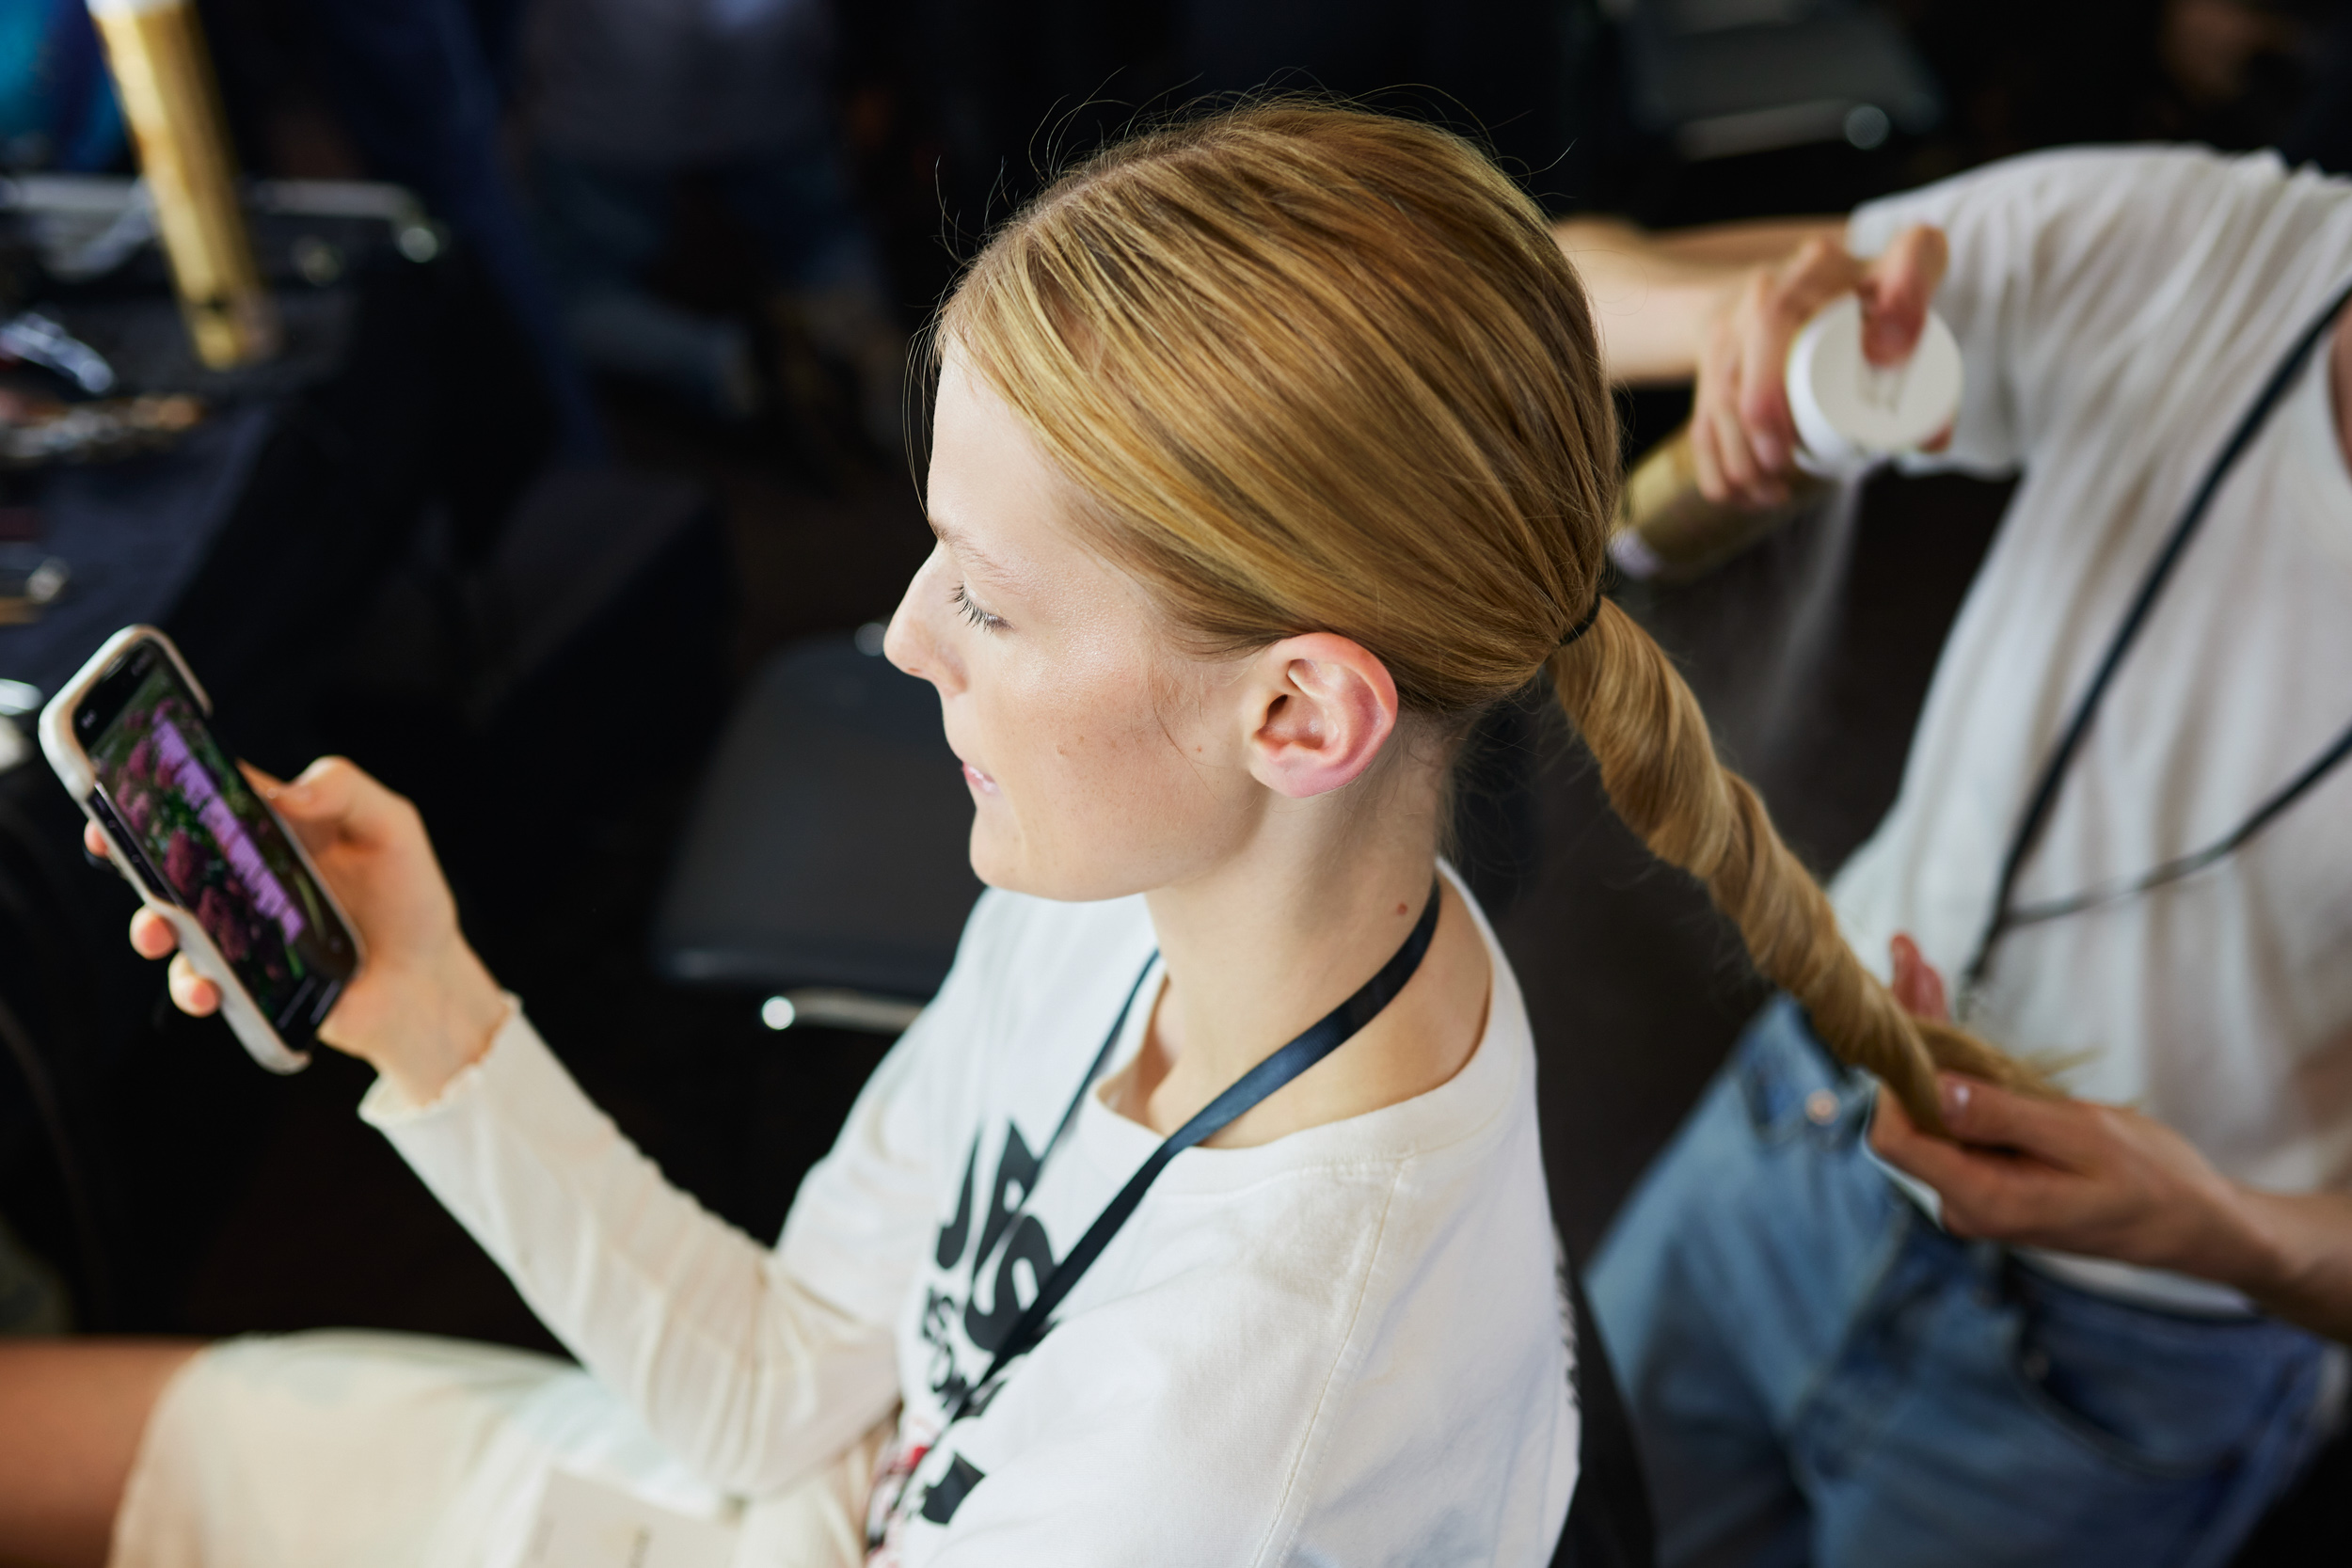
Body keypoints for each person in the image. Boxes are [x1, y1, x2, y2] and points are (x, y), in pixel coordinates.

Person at [2, 104, 2016, 1568]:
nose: (896, 638)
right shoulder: (1170, 896)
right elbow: (791, 1384)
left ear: (1301, 714)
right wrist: (431, 1019)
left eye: (984, 593)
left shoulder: (1227, 1467)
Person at [1558, 144, 2352, 1568]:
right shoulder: (2220, 252)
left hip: (2123, 1368)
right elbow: (1564, 278)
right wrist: (1738, 337)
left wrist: (2231, 1233)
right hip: (1800, 1126)